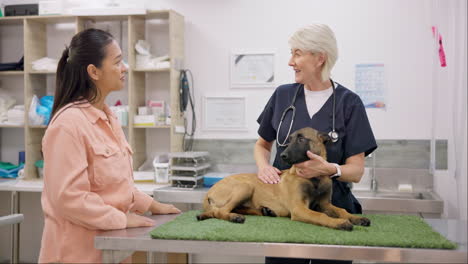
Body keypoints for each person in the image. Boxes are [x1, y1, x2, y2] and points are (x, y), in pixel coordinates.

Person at [39, 28, 181, 263]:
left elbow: (116, 187)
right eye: (117, 62)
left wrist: (153, 205)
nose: (124, 68)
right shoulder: (67, 124)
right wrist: (121, 219)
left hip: (111, 251)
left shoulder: (108, 117)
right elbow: (70, 199)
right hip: (76, 255)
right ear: (94, 71)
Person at [255, 24, 377, 264]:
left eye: (297, 53)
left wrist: (329, 169)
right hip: (286, 208)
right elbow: (262, 145)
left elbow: (356, 171)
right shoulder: (283, 95)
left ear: (320, 57)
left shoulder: (349, 103)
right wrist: (263, 167)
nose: (291, 61)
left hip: (333, 207)